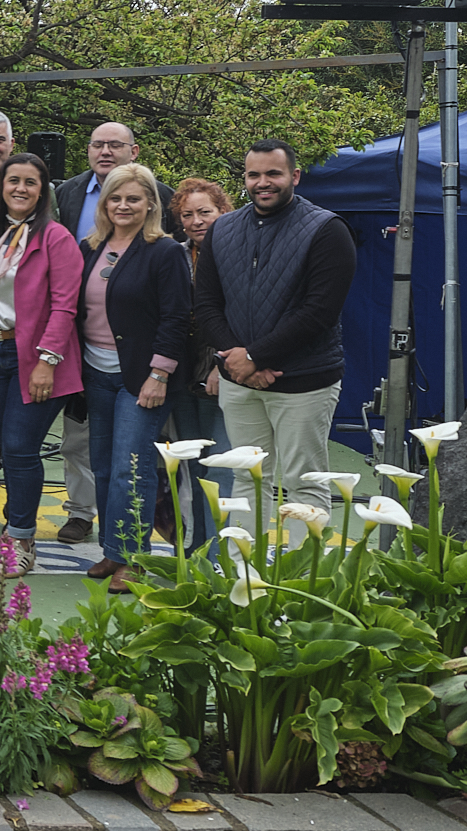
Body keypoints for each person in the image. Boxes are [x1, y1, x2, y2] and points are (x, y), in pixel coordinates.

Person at [195, 139, 357, 543]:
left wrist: (254, 356)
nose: (262, 182)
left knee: (306, 483)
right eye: (254, 174)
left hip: (304, 382)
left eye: (273, 173)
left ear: (295, 176)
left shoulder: (327, 230)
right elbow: (206, 304)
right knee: (247, 480)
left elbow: (319, 312)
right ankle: (243, 574)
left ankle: (304, 576)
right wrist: (238, 362)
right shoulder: (222, 230)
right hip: (239, 381)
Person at [0, 152, 84, 577]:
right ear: (1, 187)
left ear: (42, 191)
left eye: (30, 182)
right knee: (9, 448)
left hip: (34, 357)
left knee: (19, 447)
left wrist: (47, 360)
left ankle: (21, 540)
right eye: (13, 180)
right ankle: (13, 534)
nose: (20, 188)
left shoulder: (56, 238)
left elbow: (65, 305)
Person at [76, 163, 192, 593]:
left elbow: (177, 317)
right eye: (115, 198)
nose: (123, 206)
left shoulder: (165, 251)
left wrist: (159, 373)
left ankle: (134, 557)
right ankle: (113, 549)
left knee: (132, 468)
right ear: (104, 203)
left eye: (133, 199)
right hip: (95, 372)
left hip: (142, 378)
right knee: (104, 466)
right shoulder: (91, 247)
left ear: (150, 205)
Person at [168, 177, 236, 546]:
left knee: (220, 467)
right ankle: (198, 549)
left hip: (222, 375)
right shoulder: (174, 255)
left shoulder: (238, 252)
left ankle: (219, 554)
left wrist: (220, 365)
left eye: (204, 212)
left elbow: (242, 315)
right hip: (182, 377)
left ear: (223, 211)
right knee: (193, 468)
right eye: (187, 215)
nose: (196, 221)